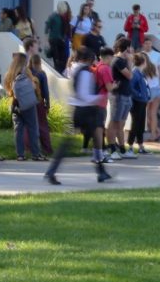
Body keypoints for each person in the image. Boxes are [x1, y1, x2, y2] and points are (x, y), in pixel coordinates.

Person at [45, 47, 111, 185]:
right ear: (87, 59)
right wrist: (100, 97)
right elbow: (83, 95)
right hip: (85, 110)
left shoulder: (75, 69)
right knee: (95, 140)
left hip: (78, 109)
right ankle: (100, 171)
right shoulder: (85, 73)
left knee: (90, 140)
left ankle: (101, 171)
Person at [5, 52, 44, 162]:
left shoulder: (10, 74)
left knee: (19, 130)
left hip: (15, 105)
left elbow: (8, 90)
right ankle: (36, 154)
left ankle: (20, 155)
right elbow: (32, 85)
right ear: (24, 61)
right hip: (28, 105)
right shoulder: (26, 72)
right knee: (32, 129)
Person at [108, 39, 134, 158]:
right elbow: (129, 75)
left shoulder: (122, 60)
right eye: (130, 48)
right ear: (127, 48)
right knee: (114, 122)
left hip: (126, 94)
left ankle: (122, 148)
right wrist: (129, 61)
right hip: (118, 95)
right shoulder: (118, 60)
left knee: (121, 123)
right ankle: (112, 148)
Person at [126, 52, 153, 156]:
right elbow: (131, 87)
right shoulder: (135, 73)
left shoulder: (140, 73)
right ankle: (130, 146)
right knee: (135, 124)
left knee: (140, 124)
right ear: (144, 62)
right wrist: (140, 95)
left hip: (142, 102)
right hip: (137, 102)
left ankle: (141, 146)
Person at [27, 54, 54, 156]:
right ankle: (47, 148)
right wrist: (47, 105)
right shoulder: (41, 74)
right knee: (42, 126)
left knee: (29, 126)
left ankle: (28, 148)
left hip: (27, 102)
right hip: (38, 101)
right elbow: (46, 92)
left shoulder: (26, 73)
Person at [45, 1, 71, 74]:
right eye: (62, 11)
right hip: (53, 40)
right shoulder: (52, 16)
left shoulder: (62, 17)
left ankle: (61, 73)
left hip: (61, 40)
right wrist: (46, 41)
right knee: (56, 59)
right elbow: (46, 29)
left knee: (63, 58)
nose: (63, 13)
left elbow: (65, 28)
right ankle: (57, 73)